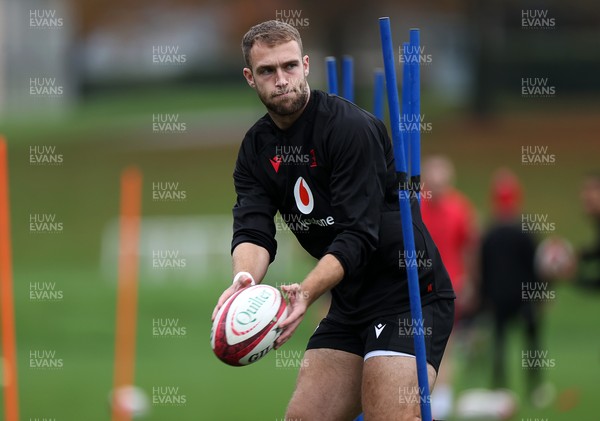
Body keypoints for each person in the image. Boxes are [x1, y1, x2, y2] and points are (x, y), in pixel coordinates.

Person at [211, 20, 455, 420]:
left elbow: (357, 235)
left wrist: (305, 292)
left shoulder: (348, 128)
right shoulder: (256, 147)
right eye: (267, 71)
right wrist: (244, 281)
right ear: (249, 78)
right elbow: (254, 228)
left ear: (306, 65)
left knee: (388, 415)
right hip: (350, 298)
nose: (282, 80)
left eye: (290, 66)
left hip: (406, 295)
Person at [479, 169, 546, 405]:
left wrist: (483, 297)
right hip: (524, 297)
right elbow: (535, 267)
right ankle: (535, 388)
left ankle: (499, 388)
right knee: (531, 343)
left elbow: (483, 270)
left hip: (498, 298)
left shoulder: (489, 233)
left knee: (499, 342)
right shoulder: (526, 231)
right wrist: (540, 295)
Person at [420, 155, 479, 419]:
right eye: (433, 183)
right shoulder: (413, 206)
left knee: (445, 347)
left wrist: (470, 281)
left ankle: (440, 404)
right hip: (417, 287)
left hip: (449, 288)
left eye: (442, 183)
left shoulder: (460, 208)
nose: (437, 189)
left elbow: (470, 246)